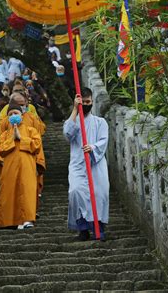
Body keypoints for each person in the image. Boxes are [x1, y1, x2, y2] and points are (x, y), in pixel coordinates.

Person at [63, 88, 109, 241]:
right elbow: (68, 134)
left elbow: (103, 141)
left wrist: (93, 147)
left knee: (99, 194)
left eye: (89, 102)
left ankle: (98, 228)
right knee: (76, 192)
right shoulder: (73, 121)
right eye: (84, 102)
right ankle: (82, 228)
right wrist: (75, 110)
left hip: (96, 163)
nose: (86, 104)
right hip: (78, 163)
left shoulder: (100, 122)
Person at [0, 104, 41, 229]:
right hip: (9, 166)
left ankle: (27, 219)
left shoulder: (31, 131)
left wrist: (21, 138)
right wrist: (12, 139)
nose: (13, 116)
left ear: (22, 115)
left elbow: (36, 146)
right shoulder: (4, 134)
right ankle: (9, 221)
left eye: (16, 113)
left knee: (27, 189)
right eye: (10, 114)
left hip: (27, 165)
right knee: (9, 190)